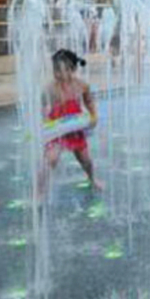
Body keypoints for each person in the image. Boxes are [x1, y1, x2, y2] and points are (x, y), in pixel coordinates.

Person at [37, 49, 100, 199]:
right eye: (55, 70)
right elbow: (43, 106)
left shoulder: (82, 85)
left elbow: (89, 102)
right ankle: (39, 192)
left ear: (72, 70)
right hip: (57, 128)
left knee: (86, 161)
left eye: (61, 70)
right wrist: (45, 121)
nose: (57, 74)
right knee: (49, 160)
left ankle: (92, 179)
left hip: (75, 128)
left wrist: (93, 116)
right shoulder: (50, 88)